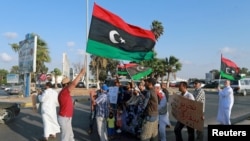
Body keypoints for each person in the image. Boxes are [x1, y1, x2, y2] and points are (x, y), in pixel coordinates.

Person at [58, 68, 86, 141]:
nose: (71, 85)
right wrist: (81, 73)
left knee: (70, 136)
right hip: (64, 118)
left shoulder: (65, 93)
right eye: (69, 84)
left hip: (67, 117)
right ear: (66, 85)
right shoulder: (64, 92)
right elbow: (74, 84)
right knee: (65, 137)